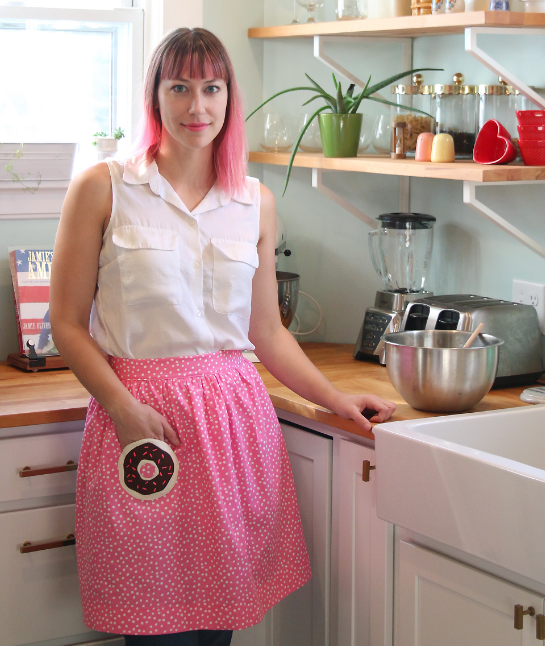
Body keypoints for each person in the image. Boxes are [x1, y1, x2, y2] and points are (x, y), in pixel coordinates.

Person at [49, 27, 396, 646]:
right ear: (154, 96)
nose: (196, 107)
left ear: (230, 98)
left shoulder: (254, 202)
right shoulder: (105, 187)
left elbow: (267, 333)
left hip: (235, 429)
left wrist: (336, 402)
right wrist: (125, 409)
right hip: (143, 421)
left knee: (217, 629)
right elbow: (68, 325)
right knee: (154, 627)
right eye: (178, 87)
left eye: (212, 88)